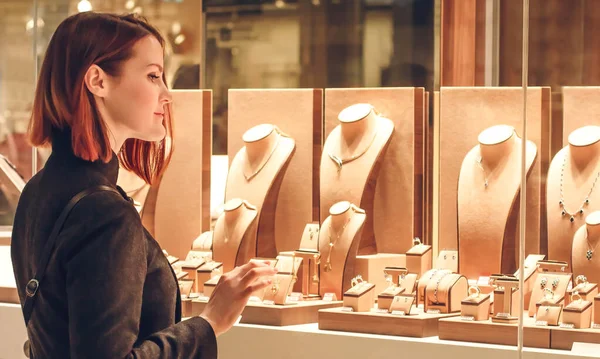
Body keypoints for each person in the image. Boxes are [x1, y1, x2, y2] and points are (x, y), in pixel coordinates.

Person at [10, 12, 276, 358]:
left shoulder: (39, 190)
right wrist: (209, 322)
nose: (167, 95)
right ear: (97, 80)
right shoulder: (102, 212)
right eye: (153, 76)